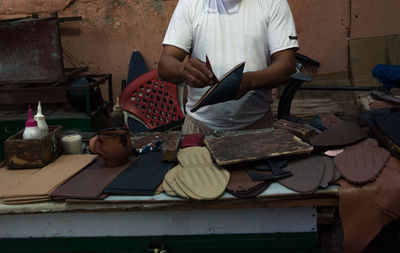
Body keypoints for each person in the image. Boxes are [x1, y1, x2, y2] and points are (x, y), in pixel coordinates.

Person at [158, 0, 299, 135]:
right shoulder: (190, 3)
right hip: (199, 128)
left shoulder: (273, 2)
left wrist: (249, 82)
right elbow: (165, 64)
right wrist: (183, 70)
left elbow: (287, 65)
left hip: (257, 127)